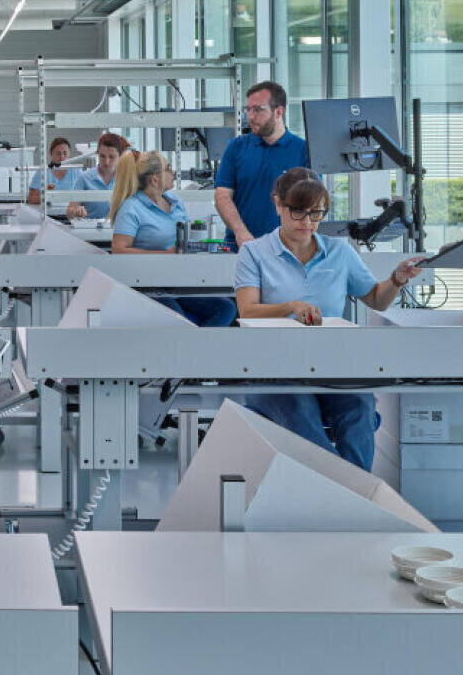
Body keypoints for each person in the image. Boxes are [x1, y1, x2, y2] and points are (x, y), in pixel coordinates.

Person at [234, 169, 421, 470]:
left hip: (332, 367)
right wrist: (291, 307)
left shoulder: (339, 252)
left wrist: (397, 280)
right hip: (272, 369)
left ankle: (347, 501)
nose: (307, 223)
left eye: (316, 214)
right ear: (278, 205)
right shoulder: (254, 254)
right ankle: (351, 496)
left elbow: (376, 299)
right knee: (299, 411)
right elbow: (247, 310)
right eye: (298, 213)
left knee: (360, 410)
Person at [109, 149, 237, 327]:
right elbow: (119, 251)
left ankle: (198, 352)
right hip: (149, 286)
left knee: (226, 309)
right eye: (168, 169)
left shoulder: (175, 202)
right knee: (177, 319)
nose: (174, 173)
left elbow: (182, 240)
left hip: (179, 281)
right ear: (155, 179)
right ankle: (189, 352)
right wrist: (165, 254)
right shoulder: (132, 208)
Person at [214, 80, 310, 249]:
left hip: (287, 250)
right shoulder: (236, 147)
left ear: (278, 112)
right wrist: (240, 231)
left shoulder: (302, 150)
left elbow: (310, 202)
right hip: (241, 247)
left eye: (258, 109)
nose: (250, 116)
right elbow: (222, 196)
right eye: (248, 110)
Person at [67, 132, 130, 220]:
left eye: (111, 157)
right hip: (90, 229)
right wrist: (76, 211)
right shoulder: (85, 178)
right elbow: (69, 212)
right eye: (102, 156)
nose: (106, 162)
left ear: (120, 156)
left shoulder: (127, 179)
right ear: (98, 154)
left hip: (119, 230)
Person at [27, 136, 84, 207]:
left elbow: (85, 197)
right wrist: (48, 197)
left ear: (69, 154)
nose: (62, 157)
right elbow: (31, 198)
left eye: (65, 153)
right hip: (48, 215)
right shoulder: (43, 171)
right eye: (58, 153)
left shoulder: (76, 170)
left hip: (72, 214)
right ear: (51, 153)